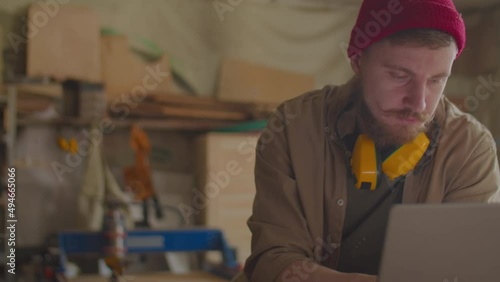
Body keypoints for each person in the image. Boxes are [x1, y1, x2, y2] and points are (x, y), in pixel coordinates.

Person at [242, 0, 500, 281]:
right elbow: (273, 263)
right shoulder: (293, 126)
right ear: (357, 60)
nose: (419, 103)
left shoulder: (470, 148)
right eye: (400, 76)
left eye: (437, 80)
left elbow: (468, 271)